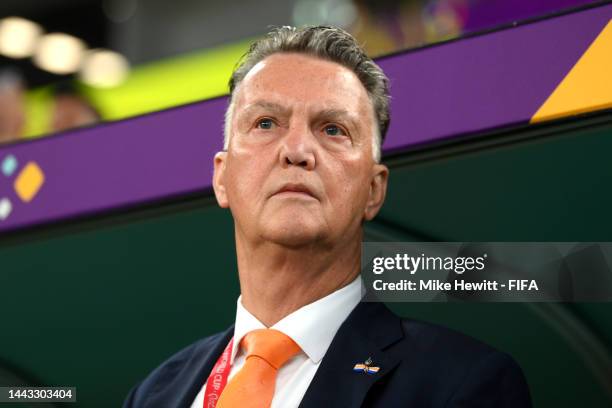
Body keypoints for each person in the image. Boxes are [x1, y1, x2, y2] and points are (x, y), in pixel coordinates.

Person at [123, 26, 532, 408]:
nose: (297, 150)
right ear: (221, 178)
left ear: (374, 190)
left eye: (333, 129)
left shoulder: (464, 384)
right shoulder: (154, 394)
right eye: (266, 123)